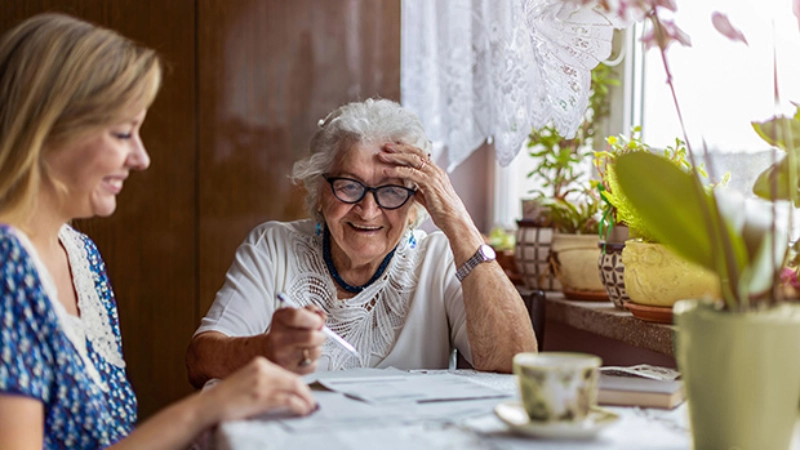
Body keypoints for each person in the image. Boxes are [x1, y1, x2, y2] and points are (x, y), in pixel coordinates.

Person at [0, 13, 316, 449]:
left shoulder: (81, 254)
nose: (141, 158)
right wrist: (206, 407)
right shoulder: (6, 265)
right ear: (47, 129)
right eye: (123, 133)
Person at [186, 98, 537, 388]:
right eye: (350, 186)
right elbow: (200, 360)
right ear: (319, 192)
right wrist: (266, 348)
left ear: (416, 203)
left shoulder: (440, 259)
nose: (369, 210)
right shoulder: (273, 247)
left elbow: (517, 365)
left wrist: (458, 222)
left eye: (392, 190)